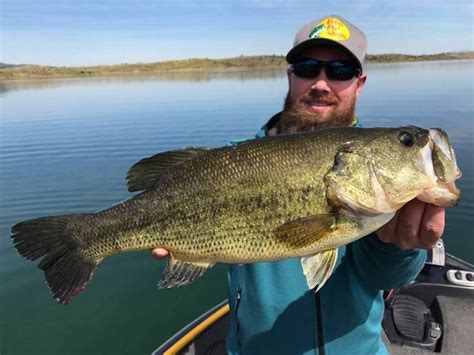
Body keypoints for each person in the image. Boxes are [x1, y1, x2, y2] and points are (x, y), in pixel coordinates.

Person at [152, 15, 445, 354]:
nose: (321, 83)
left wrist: (400, 245)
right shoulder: (230, 162)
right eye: (307, 68)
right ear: (290, 76)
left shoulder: (376, 174)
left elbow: (387, 279)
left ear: (359, 83)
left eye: (339, 71)